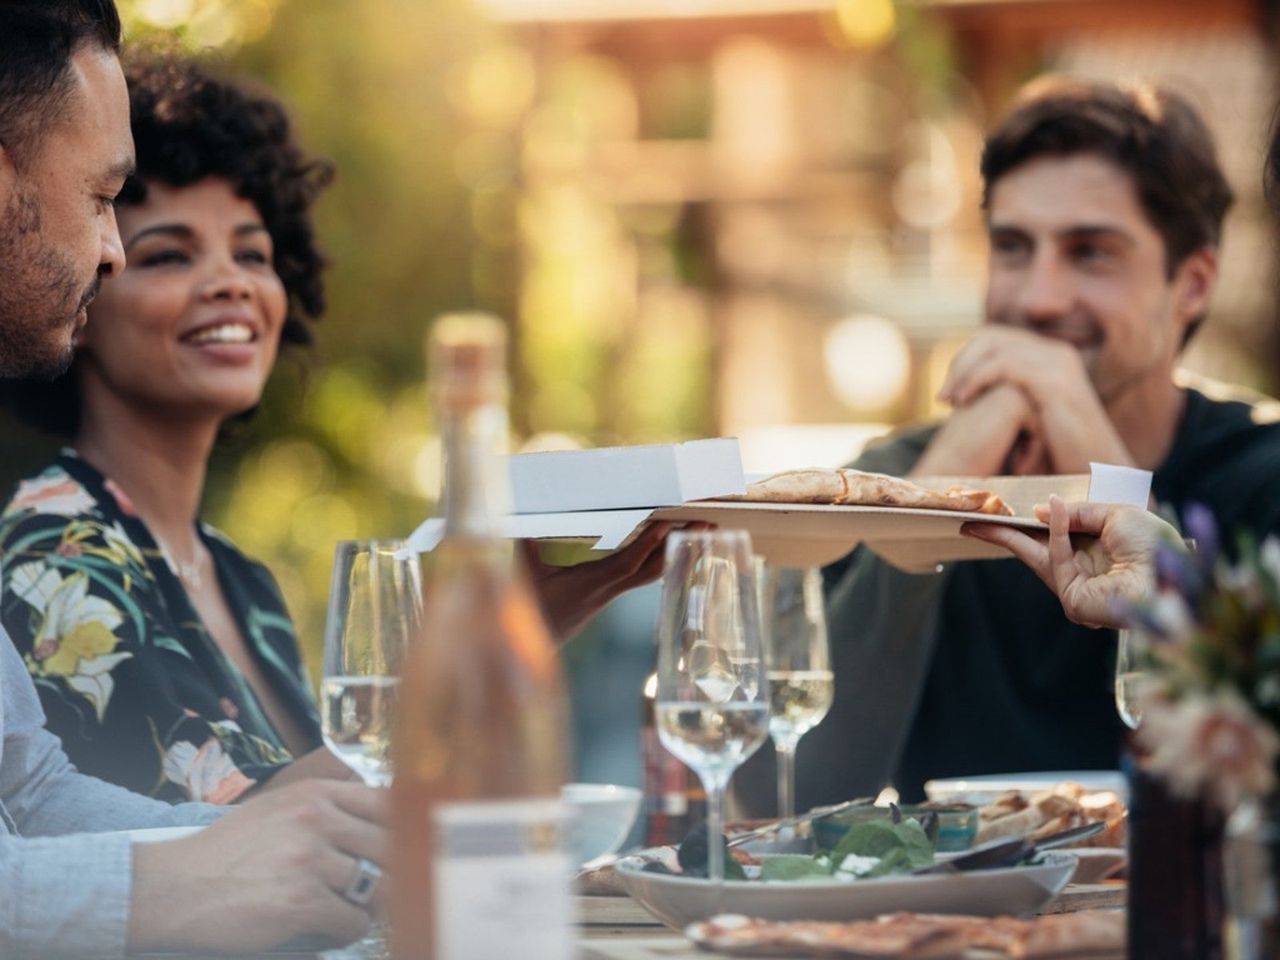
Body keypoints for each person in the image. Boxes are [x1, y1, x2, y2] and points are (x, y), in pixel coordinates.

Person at [0, 3, 382, 956]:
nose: (112, 248)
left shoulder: (241, 578)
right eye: (104, 199)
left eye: (253, 253)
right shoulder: (57, 550)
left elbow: (30, 792)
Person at [795, 76, 1280, 808]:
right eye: (1014, 248)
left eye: (1091, 253)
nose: (1039, 298)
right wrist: (936, 495)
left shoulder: (1262, 476)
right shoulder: (893, 475)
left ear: (1193, 284)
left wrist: (1101, 467)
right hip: (948, 916)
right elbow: (791, 791)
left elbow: (1251, 767)